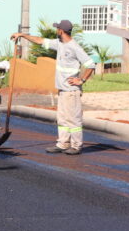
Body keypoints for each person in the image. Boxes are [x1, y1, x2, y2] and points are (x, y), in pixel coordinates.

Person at [11, 19, 95, 155]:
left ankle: (76, 146)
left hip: (71, 91)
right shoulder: (59, 44)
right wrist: (22, 35)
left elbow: (91, 64)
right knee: (62, 119)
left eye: (57, 29)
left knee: (73, 119)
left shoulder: (74, 47)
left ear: (61, 31)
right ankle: (62, 143)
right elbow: (40, 40)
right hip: (62, 91)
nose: (56, 31)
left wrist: (81, 80)